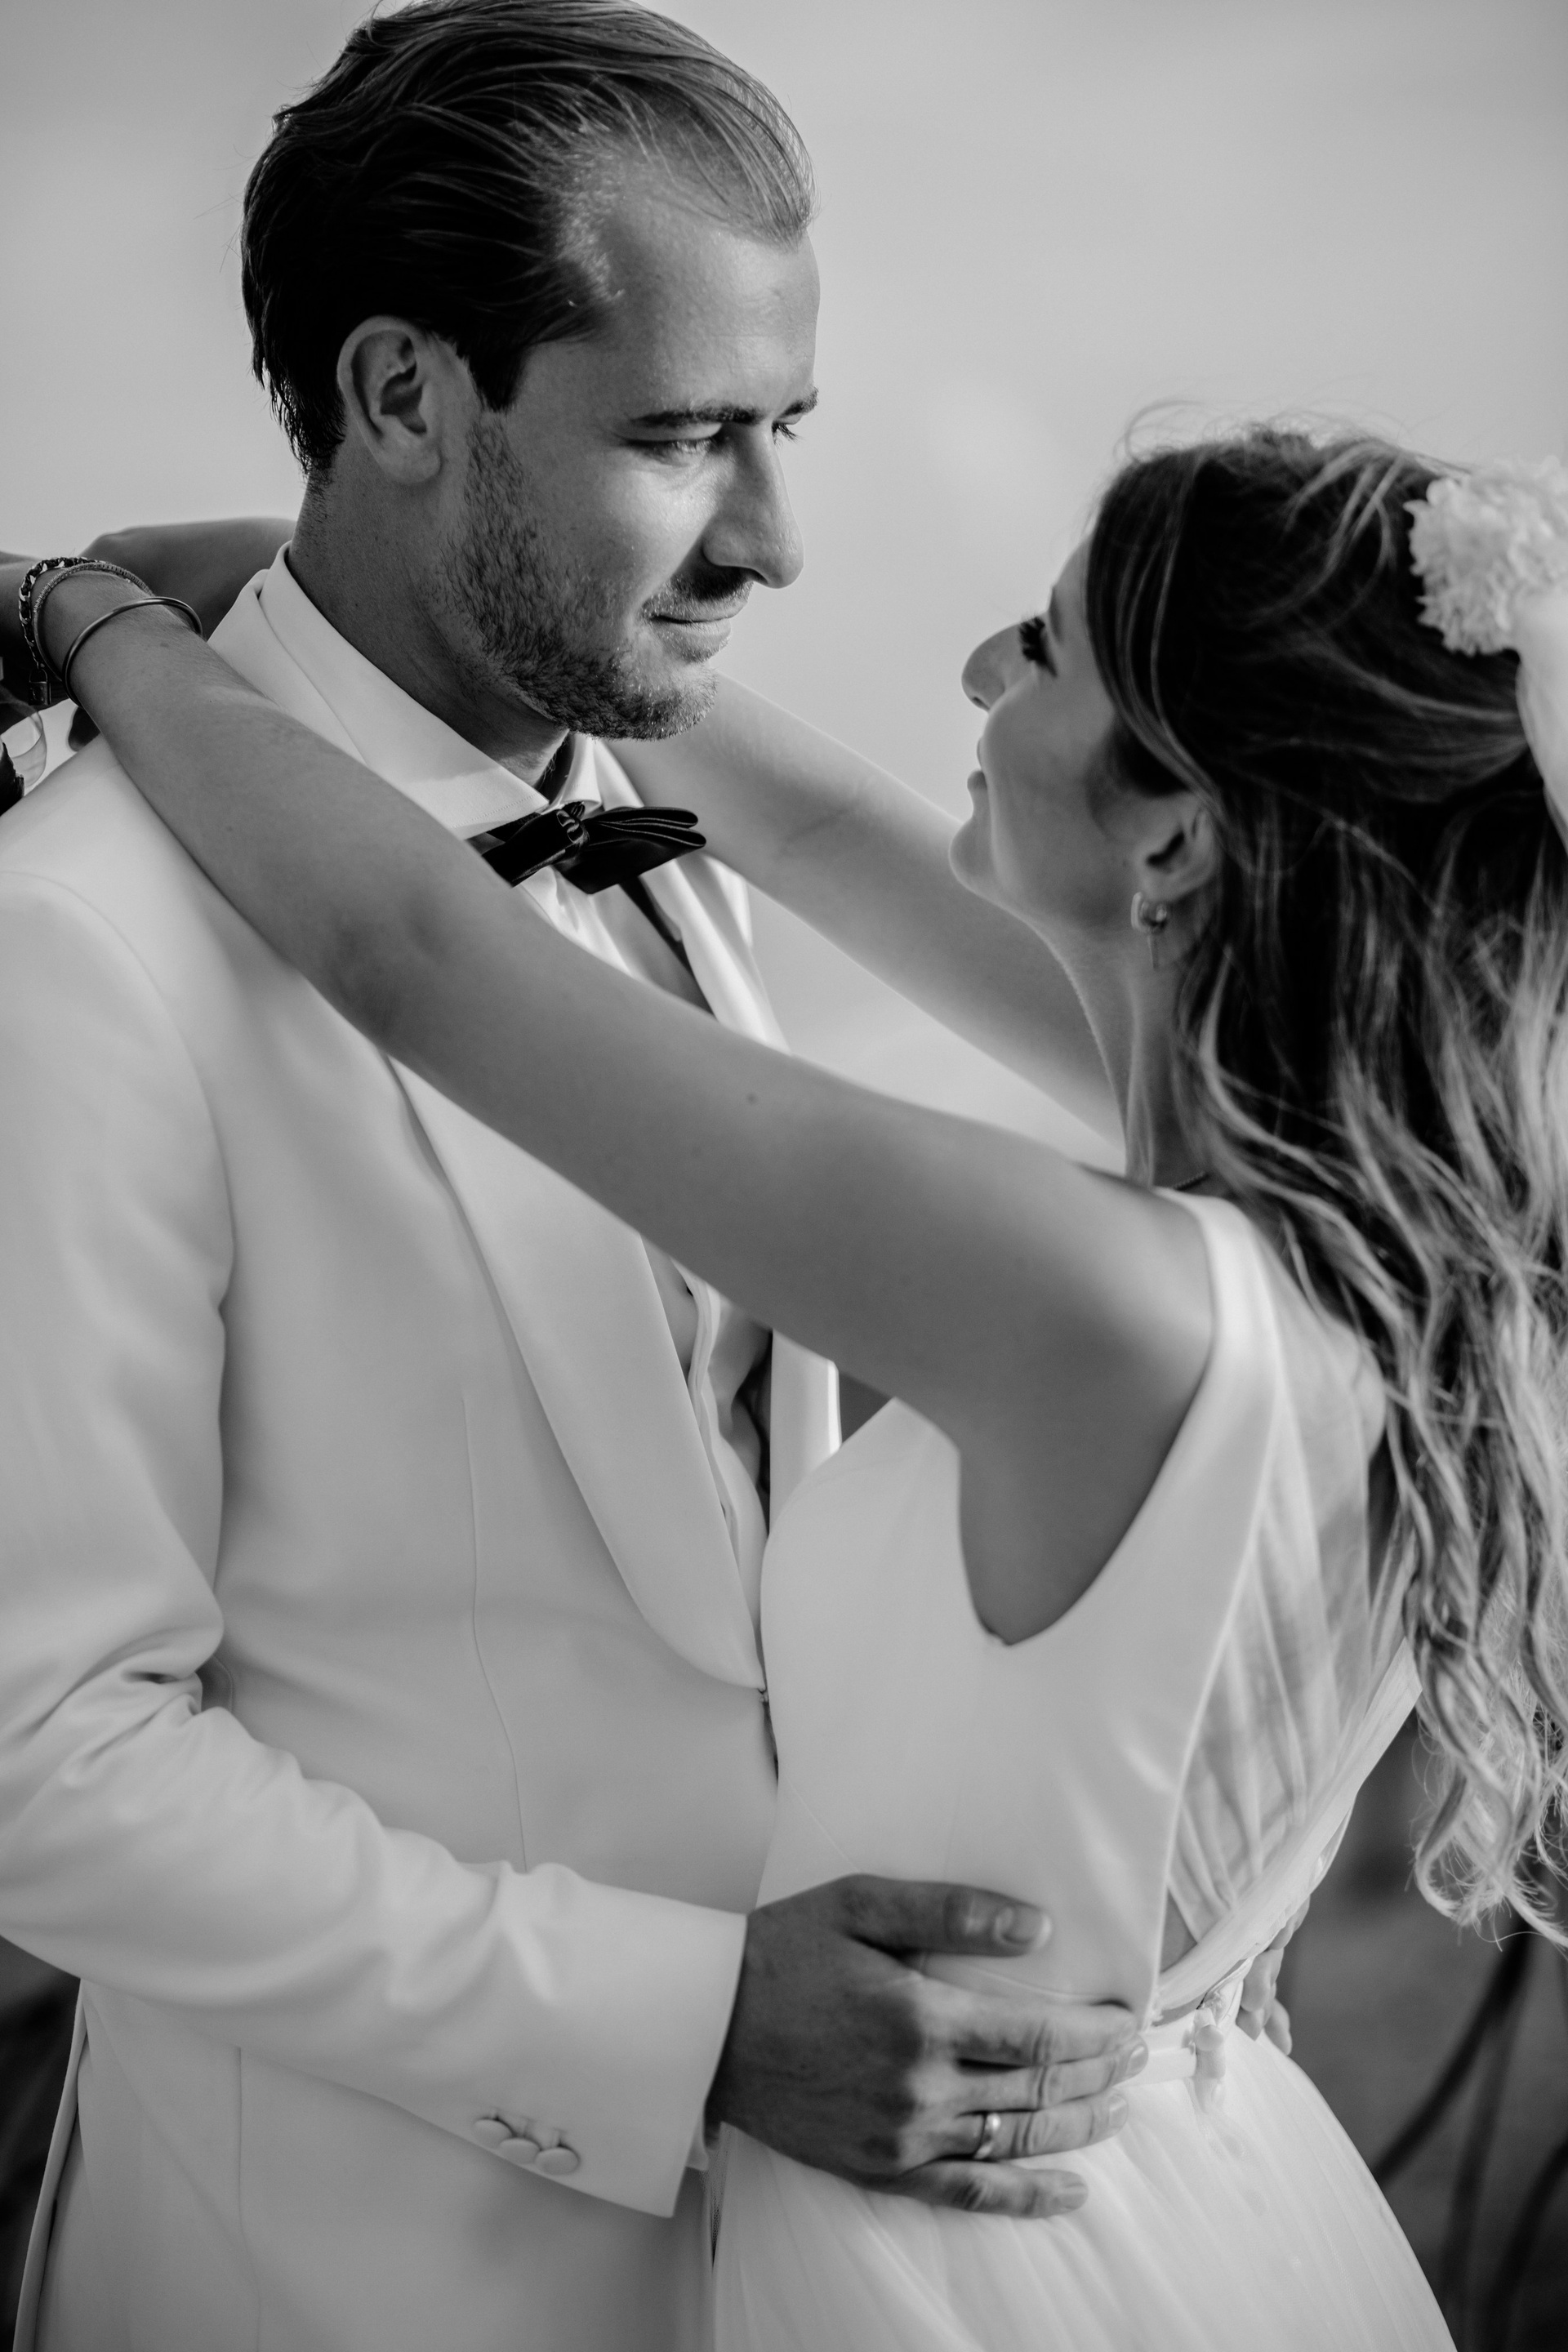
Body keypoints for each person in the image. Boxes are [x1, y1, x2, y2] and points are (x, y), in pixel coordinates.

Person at [40, 426, 1568, 2350]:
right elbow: (833, 836)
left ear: (1175, 841)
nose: (977, 669)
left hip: (963, 2261)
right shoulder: (1429, 1236)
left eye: (1045, 647)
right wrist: (334, 597)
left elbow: (409, 949)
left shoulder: (1099, 1301)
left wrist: (84, 623)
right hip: (1186, 2178)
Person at [0, 7, 1146, 2349]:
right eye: (685, 437)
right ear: (405, 396)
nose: (780, 538)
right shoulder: (81, 938)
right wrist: (682, 2025)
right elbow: (41, 1757)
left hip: (816, 2276)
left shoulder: (661, 817)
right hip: (345, 2281)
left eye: (787, 425)